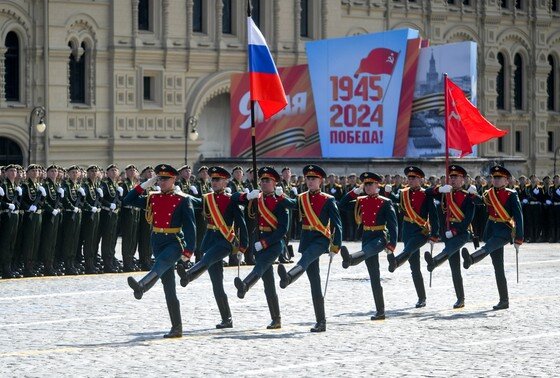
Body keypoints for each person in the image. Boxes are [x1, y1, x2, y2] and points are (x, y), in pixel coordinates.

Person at [125, 164, 197, 338]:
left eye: (165, 179)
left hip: (174, 242)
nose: (162, 182)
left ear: (174, 179)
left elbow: (190, 228)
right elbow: (128, 200)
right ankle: (177, 327)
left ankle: (142, 285)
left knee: (161, 263)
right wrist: (144, 185)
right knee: (169, 288)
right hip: (157, 241)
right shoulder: (153, 197)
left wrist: (188, 252)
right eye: (159, 178)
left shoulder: (182, 199)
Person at [176, 166, 248, 329]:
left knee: (207, 259)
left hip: (225, 241)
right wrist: (180, 194)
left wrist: (243, 247)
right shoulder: (207, 198)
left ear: (225, 181)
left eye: (218, 180)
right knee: (217, 284)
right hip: (210, 240)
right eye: (212, 179)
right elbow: (193, 202)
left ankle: (188, 275)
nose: (214, 182)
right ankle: (227, 318)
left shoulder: (231, 199)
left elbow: (242, 224)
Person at [277, 164, 343, 332]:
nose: (310, 181)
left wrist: (336, 245)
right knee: (315, 283)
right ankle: (321, 321)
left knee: (304, 260)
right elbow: (292, 204)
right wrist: (279, 195)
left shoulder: (328, 199)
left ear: (320, 181)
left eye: (313, 179)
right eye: (308, 178)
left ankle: (288, 278)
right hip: (307, 239)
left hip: (320, 240)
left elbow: (337, 224)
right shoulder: (302, 198)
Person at [232, 166, 289, 329]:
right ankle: (276, 318)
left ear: (274, 183)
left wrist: (264, 243)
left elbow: (283, 229)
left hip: (274, 243)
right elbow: (234, 198)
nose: (263, 183)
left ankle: (245, 285)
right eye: (262, 180)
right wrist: (247, 195)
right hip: (260, 241)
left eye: (267, 181)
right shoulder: (257, 198)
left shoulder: (280, 201)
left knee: (261, 266)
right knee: (268, 284)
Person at [462, 165, 523, 310]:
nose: (495, 180)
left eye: (498, 178)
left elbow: (519, 217)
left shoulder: (511, 194)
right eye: (493, 178)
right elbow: (482, 203)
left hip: (504, 230)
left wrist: (519, 238)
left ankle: (471, 259)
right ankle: (504, 300)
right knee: (498, 267)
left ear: (506, 180)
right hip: (491, 230)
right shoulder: (489, 193)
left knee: (487, 248)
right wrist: (472, 195)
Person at [338, 172, 397, 320]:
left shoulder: (385, 202)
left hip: (380, 236)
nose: (368, 187)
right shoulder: (361, 200)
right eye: (365, 184)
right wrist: (354, 192)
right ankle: (380, 310)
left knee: (367, 251)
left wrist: (392, 245)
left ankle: (351, 259)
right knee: (374, 276)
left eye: (370, 184)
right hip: (366, 235)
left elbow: (393, 225)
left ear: (378, 185)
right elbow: (342, 205)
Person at [424, 165, 476, 309]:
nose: (452, 180)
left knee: (450, 249)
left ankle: (434, 262)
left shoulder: (467, 196)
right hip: (447, 233)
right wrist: (439, 189)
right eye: (451, 177)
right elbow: (426, 192)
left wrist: (455, 231)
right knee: (455, 269)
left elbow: (468, 219)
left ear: (462, 179)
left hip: (462, 233)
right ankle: (460, 299)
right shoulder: (444, 193)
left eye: (456, 177)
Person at [386, 166, 438, 308]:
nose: (410, 180)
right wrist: (389, 193)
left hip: (421, 231)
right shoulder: (403, 193)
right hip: (407, 229)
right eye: (409, 178)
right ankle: (422, 298)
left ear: (420, 179)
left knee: (409, 249)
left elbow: (433, 215)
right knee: (414, 267)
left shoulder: (427, 194)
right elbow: (396, 200)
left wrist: (434, 234)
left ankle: (396, 262)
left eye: (413, 178)